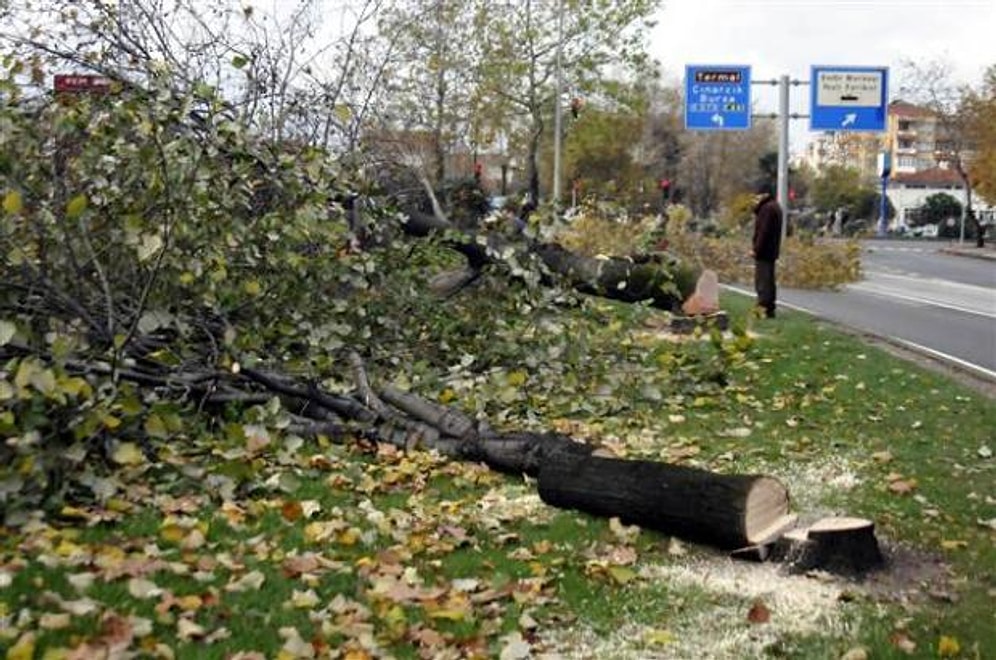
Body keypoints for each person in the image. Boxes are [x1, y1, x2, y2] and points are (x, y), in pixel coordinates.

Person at [752, 180, 783, 318]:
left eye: (758, 196)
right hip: (771, 251)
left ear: (765, 194)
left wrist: (756, 249)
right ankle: (769, 308)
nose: (756, 199)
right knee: (769, 280)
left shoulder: (767, 209)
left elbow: (763, 232)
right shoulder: (775, 207)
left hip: (764, 251)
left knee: (762, 281)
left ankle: (763, 308)